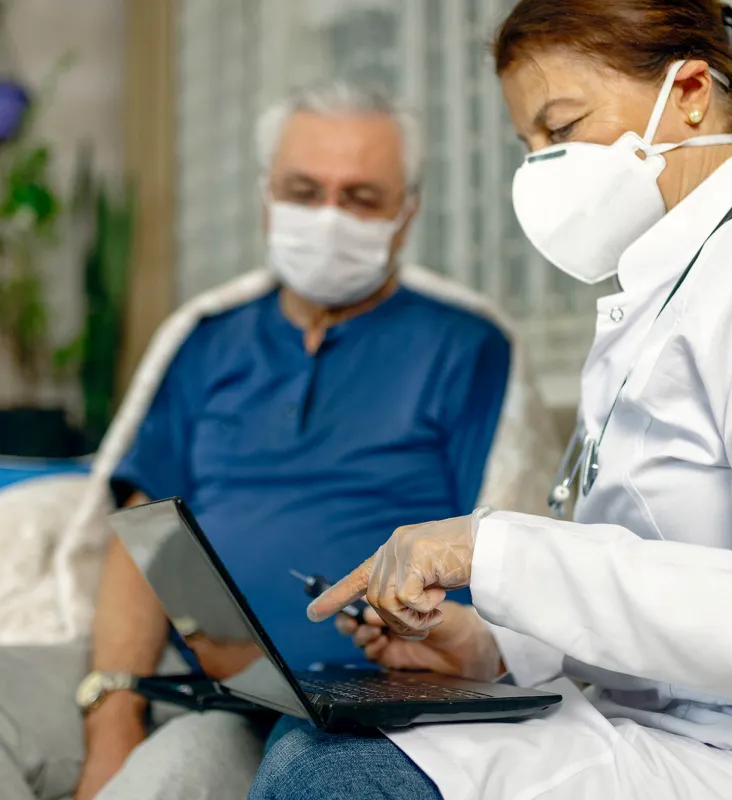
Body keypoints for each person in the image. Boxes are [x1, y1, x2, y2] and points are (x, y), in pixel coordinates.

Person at [249, 3, 732, 799]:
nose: (541, 167)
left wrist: (493, 550)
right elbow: (664, 591)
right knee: (323, 729)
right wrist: (498, 652)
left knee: (333, 775)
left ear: (688, 92)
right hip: (652, 727)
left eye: (562, 126)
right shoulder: (657, 289)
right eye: (526, 145)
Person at [0, 81, 539, 800]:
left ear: (407, 214)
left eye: (361, 198)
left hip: (331, 707)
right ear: (266, 199)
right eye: (304, 190)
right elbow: (143, 540)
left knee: (168, 777)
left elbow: (506, 549)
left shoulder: (468, 349)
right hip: (169, 667)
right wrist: (114, 712)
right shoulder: (208, 341)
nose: (328, 218)